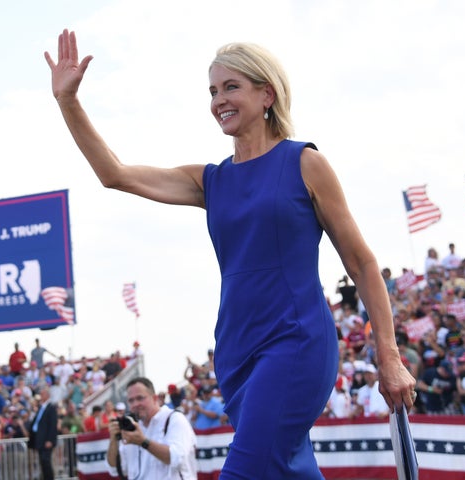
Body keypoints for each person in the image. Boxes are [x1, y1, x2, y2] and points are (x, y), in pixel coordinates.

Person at [45, 29, 415, 478]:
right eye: (213, 91)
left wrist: (388, 356)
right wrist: (69, 102)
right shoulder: (210, 179)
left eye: (231, 87)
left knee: (246, 468)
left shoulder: (305, 163)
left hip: (295, 341)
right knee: (288, 468)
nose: (219, 99)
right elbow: (115, 174)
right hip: (235, 350)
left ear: (267, 94)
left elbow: (361, 263)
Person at [106, 377, 197, 479]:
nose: (135, 404)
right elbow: (115, 469)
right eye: (131, 400)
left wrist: (143, 442)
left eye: (140, 398)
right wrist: (113, 440)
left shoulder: (174, 419)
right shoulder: (132, 427)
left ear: (154, 398)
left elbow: (176, 458)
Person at [27, 386, 58, 480]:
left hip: (46, 440)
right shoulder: (41, 408)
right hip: (39, 439)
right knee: (42, 462)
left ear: (47, 395)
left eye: (42, 394)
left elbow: (53, 425)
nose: (41, 396)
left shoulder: (51, 408)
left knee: (46, 461)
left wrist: (50, 440)